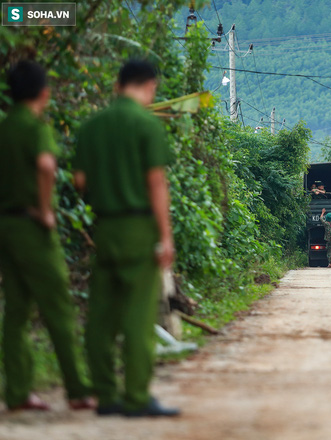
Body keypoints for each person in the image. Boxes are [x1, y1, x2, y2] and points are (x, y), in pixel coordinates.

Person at [73, 60, 180, 417]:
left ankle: (105, 394)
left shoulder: (92, 127)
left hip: (105, 227)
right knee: (137, 315)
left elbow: (80, 182)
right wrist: (165, 236)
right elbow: (156, 183)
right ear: (149, 86)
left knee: (101, 314)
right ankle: (136, 397)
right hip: (138, 228)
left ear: (118, 85)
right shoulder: (146, 125)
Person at [0, 60, 95, 412]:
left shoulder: (6, 127)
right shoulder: (35, 127)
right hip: (32, 226)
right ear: (44, 92)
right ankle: (77, 388)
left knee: (16, 310)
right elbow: (45, 166)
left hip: (6, 227)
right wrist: (46, 210)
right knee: (57, 306)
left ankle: (18, 392)